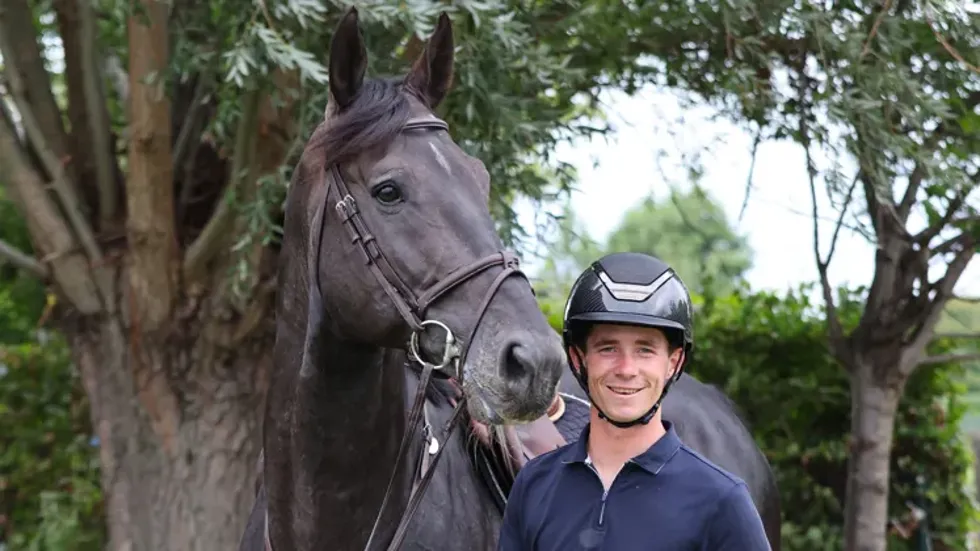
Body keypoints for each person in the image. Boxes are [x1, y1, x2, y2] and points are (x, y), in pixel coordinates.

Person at [497, 251, 771, 550]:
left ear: (673, 363)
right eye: (608, 348)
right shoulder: (533, 486)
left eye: (645, 350)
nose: (627, 369)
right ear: (578, 358)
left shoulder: (723, 501)